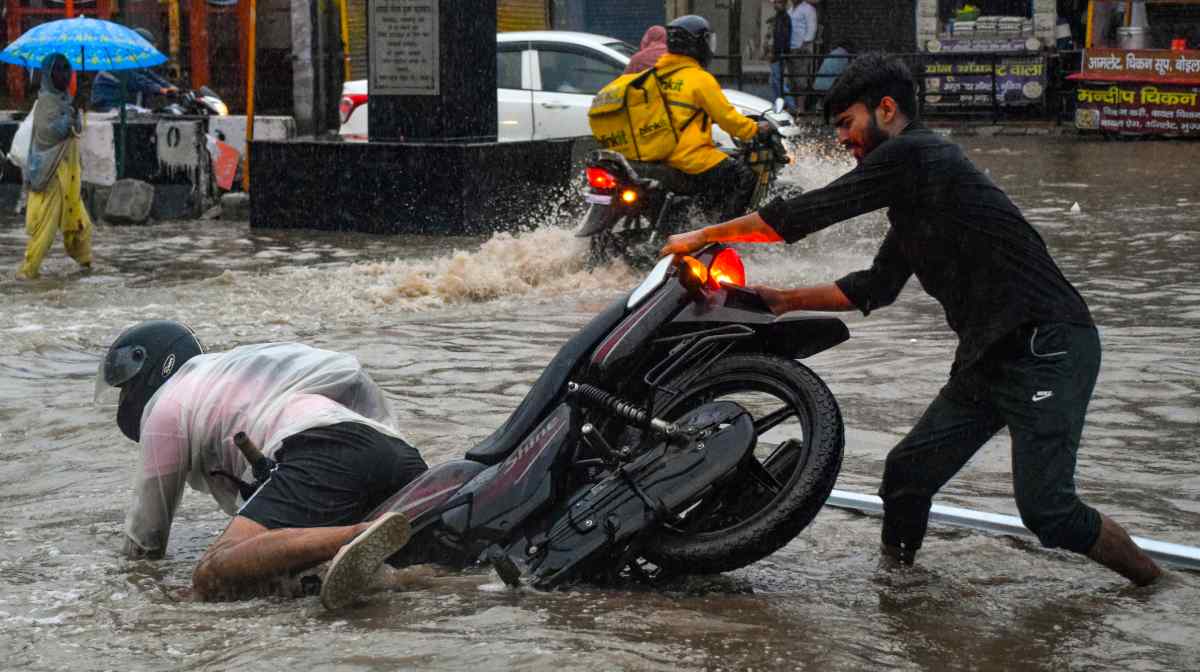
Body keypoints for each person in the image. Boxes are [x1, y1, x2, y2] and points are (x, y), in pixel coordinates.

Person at [660, 54, 1162, 587]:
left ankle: (1154, 586)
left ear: (887, 109)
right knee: (906, 475)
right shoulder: (918, 193)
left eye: (847, 123)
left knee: (1048, 510)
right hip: (988, 355)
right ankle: (900, 590)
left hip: (1047, 346)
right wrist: (783, 300)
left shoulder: (918, 153)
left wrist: (704, 235)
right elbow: (875, 288)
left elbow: (808, 213)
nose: (843, 140)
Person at [95, 320, 430, 608]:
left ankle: (359, 533)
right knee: (280, 562)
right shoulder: (241, 378)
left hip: (321, 451)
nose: (125, 401)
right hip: (392, 452)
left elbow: (146, 540)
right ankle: (378, 548)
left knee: (212, 572)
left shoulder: (167, 405)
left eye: (124, 390)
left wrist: (131, 586)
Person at [652, 15, 771, 220]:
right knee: (745, 175)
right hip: (686, 157)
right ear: (698, 45)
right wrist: (755, 129)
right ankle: (722, 230)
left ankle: (698, 214)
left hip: (656, 152)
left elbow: (679, 112)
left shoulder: (655, 76)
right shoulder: (700, 79)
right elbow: (729, 119)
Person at [16, 53, 92, 280]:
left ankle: (86, 265)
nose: (65, 75)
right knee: (46, 230)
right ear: (49, 75)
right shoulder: (46, 103)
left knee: (79, 223)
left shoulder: (66, 99)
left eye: (67, 69)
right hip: (51, 174)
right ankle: (27, 273)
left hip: (68, 173)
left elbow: (76, 130)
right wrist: (72, 110)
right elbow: (51, 133)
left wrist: (77, 107)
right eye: (59, 70)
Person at [89, 28, 178, 113]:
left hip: (118, 103)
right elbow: (136, 80)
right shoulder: (121, 59)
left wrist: (169, 86)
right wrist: (161, 90)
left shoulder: (133, 59)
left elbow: (148, 74)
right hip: (106, 104)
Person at [787, 0, 819, 112]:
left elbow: (812, 29)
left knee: (801, 79)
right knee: (792, 80)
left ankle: (801, 108)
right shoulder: (790, 10)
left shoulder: (808, 9)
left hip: (801, 50)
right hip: (790, 49)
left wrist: (804, 46)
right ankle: (794, 106)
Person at [766, 0, 793, 103]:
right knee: (775, 81)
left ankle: (791, 105)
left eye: (779, 2)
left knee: (778, 81)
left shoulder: (784, 18)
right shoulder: (779, 17)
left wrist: (779, 53)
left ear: (784, 4)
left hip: (779, 53)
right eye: (776, 2)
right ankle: (780, 103)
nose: (776, 4)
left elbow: (782, 38)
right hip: (778, 53)